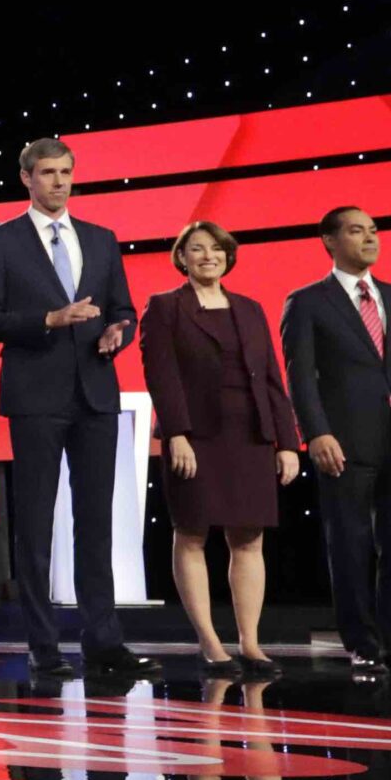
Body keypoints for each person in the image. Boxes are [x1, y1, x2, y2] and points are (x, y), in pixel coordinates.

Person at [0, 137, 159, 679]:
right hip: (35, 394)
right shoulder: (1, 242)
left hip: (95, 392)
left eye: (66, 172)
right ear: (27, 178)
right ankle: (43, 646)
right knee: (34, 524)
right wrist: (48, 321)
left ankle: (104, 642)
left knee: (96, 523)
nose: (59, 181)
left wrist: (118, 332)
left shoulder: (101, 239)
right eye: (48, 172)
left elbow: (122, 307)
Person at [280, 206, 391, 677]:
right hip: (344, 439)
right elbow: (300, 377)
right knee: (351, 543)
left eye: (373, 230)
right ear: (330, 241)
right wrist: (315, 432)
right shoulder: (308, 302)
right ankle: (362, 643)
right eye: (357, 231)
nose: (370, 238)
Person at [140, 220, 303, 676]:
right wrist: (177, 433)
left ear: (228, 256)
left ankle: (250, 643)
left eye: (216, 248)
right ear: (182, 258)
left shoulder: (250, 309)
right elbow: (162, 375)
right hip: (195, 436)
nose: (208, 256)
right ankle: (210, 641)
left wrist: (287, 442)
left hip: (250, 434)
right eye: (197, 249)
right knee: (192, 532)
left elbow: (272, 378)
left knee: (249, 537)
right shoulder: (166, 307)